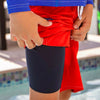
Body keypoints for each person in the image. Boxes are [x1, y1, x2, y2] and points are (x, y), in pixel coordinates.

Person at [6, 0, 94, 100]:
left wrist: (88, 3)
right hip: (46, 12)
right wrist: (17, 8)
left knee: (65, 85)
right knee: (46, 93)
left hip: (73, 11)